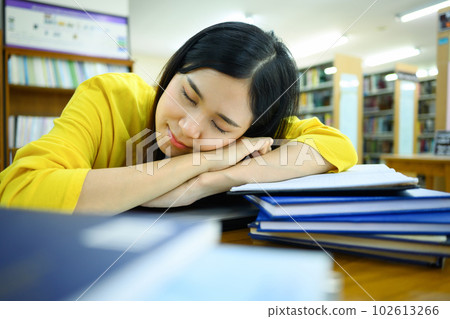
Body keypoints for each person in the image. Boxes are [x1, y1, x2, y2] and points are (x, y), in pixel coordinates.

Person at [0, 22, 357, 215]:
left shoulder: (259, 132)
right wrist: (205, 159)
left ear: (250, 128)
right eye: (187, 96)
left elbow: (336, 146)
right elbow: (19, 195)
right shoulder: (110, 96)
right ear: (172, 71)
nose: (188, 127)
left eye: (221, 125)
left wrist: (220, 177)